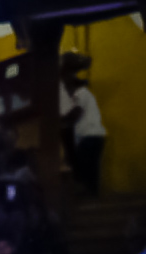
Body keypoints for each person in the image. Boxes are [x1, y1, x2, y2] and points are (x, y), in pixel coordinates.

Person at [60, 57, 106, 195]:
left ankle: (88, 194)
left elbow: (76, 113)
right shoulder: (85, 93)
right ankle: (93, 194)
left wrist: (58, 120)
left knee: (84, 169)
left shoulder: (81, 93)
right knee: (92, 170)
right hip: (96, 136)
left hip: (88, 137)